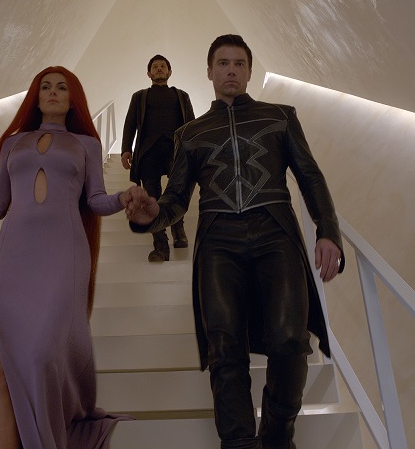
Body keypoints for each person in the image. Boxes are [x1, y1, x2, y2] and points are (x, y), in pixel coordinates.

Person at [123, 35, 343, 449]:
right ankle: (239, 443)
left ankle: (277, 435)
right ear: (209, 72)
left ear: (249, 71)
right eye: (223, 63)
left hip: (276, 235)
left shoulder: (280, 116)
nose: (231, 70)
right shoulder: (190, 133)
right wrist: (152, 215)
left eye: (239, 63)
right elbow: (176, 199)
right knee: (224, 350)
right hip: (218, 243)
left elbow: (310, 175)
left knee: (290, 340)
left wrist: (327, 230)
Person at [0, 66, 132, 449]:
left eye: (61, 87)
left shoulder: (86, 144)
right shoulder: (13, 143)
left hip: (65, 256)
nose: (53, 92)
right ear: (36, 95)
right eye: (45, 86)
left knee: (41, 356)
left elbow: (96, 201)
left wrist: (123, 198)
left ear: (73, 98)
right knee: (0, 372)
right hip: (12, 257)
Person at [120, 54, 196, 262]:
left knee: (178, 191)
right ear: (149, 73)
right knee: (151, 198)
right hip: (148, 152)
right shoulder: (139, 96)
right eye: (155, 67)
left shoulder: (182, 96)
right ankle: (160, 246)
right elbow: (129, 123)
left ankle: (178, 230)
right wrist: (126, 149)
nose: (159, 69)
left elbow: (191, 125)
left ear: (170, 72)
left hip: (175, 151)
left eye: (163, 66)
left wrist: (194, 151)